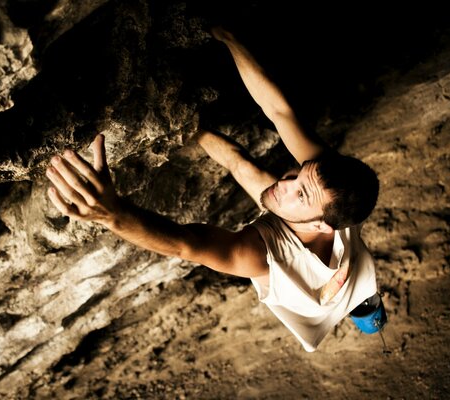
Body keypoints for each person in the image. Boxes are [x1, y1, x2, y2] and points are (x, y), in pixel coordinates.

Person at [45, 27, 380, 352]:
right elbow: (278, 112)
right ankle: (366, 305)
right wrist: (228, 36)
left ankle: (368, 310)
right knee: (247, 170)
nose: (285, 184)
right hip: (346, 263)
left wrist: (113, 214)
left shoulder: (266, 259)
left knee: (362, 299)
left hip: (320, 303)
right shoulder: (325, 186)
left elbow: (186, 245)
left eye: (300, 194)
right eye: (295, 177)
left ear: (323, 225)